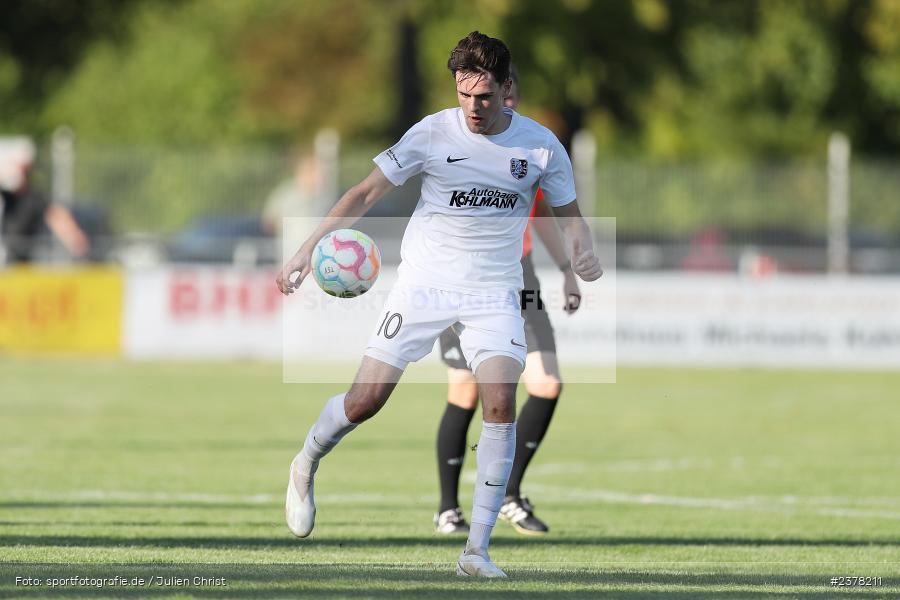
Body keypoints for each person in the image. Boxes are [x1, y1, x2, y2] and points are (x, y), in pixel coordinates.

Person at [277, 31, 602, 578]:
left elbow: (570, 218)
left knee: (499, 400)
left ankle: (476, 551)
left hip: (495, 292)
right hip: (424, 285)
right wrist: (308, 248)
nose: (473, 106)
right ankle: (305, 461)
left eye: (484, 95)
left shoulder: (541, 145)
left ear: (506, 89)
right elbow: (364, 192)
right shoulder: (432, 132)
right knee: (366, 400)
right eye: (463, 93)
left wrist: (581, 254)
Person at [433, 67, 581, 537]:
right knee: (465, 392)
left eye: (502, 95)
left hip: (521, 282)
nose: (495, 105)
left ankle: (509, 495)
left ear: (508, 94)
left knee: (547, 384)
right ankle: (447, 508)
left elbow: (541, 217)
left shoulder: (530, 151)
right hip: (466, 282)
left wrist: (568, 271)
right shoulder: (458, 147)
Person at [0, 138, 90, 265]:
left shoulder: (35, 196)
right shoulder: (5, 194)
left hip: (23, 258)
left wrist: (74, 239)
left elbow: (56, 215)